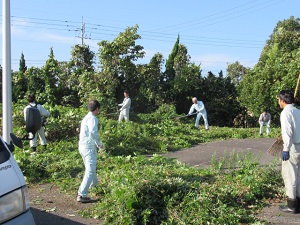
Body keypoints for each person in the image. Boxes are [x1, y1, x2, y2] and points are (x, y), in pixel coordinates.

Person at [277, 89, 300, 214]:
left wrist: (286, 149)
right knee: (299, 176)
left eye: (278, 100)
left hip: (293, 148)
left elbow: (288, 133)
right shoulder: (298, 111)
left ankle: (291, 205)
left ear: (283, 100)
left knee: (290, 175)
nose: (278, 102)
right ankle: (299, 204)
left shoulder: (286, 113)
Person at [77, 100, 104, 203]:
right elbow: (93, 132)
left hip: (83, 146)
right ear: (97, 109)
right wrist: (99, 143)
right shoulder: (93, 119)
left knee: (91, 168)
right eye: (99, 109)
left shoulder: (86, 118)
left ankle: (94, 187)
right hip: (88, 147)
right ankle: (81, 194)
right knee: (90, 170)